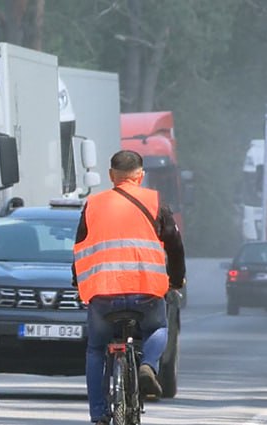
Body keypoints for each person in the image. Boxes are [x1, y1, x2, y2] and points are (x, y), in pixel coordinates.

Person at [71, 150, 186, 425]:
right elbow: (175, 245)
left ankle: (98, 413)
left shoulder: (93, 205)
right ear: (140, 175)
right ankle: (147, 366)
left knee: (96, 349)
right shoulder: (155, 202)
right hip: (146, 291)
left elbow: (79, 248)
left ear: (111, 175)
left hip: (103, 293)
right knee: (157, 328)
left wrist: (78, 282)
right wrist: (176, 279)